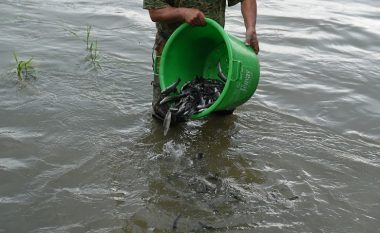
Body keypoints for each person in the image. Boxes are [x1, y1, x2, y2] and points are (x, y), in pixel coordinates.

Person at [143, 0, 259, 119]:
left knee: (222, 111)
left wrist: (251, 27)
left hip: (215, 45)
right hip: (172, 48)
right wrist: (182, 13)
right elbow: (155, 12)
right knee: (167, 112)